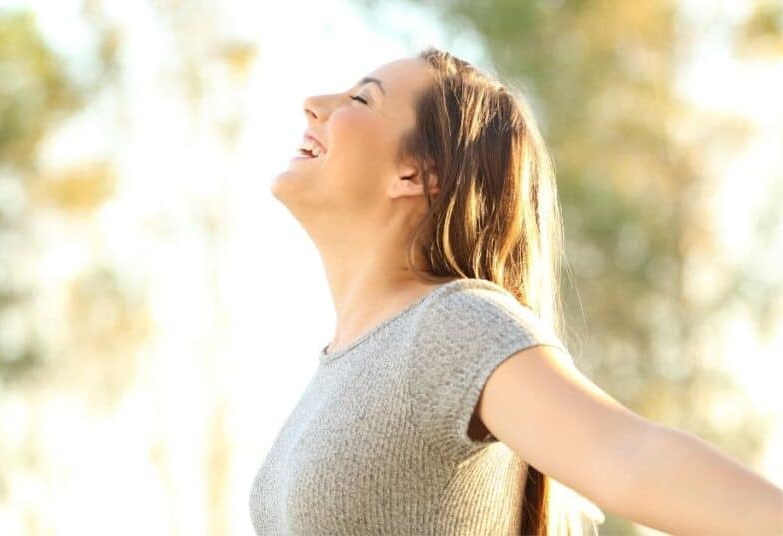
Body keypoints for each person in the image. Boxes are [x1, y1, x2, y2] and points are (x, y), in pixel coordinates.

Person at [249, 46, 783, 535]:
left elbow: (629, 457)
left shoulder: (450, 325)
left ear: (416, 174)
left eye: (361, 98)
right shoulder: (339, 367)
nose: (314, 105)